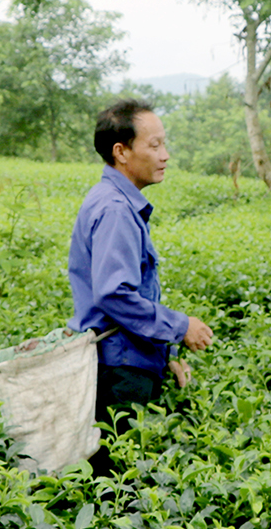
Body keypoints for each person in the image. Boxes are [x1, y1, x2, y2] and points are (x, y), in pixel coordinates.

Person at [68, 98, 213, 445]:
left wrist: (167, 355)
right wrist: (180, 328)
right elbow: (114, 295)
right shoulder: (116, 209)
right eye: (154, 145)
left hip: (126, 363)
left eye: (164, 143)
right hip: (119, 372)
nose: (165, 155)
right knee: (120, 485)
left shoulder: (115, 202)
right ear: (121, 152)